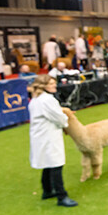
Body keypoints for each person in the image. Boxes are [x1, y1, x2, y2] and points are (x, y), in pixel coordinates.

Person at [27, 75, 77, 207]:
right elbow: (59, 117)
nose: (54, 86)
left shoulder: (36, 99)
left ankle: (47, 190)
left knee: (47, 162)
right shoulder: (47, 100)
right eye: (51, 84)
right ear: (44, 86)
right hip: (49, 135)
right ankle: (62, 196)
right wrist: (66, 122)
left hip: (40, 135)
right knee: (56, 164)